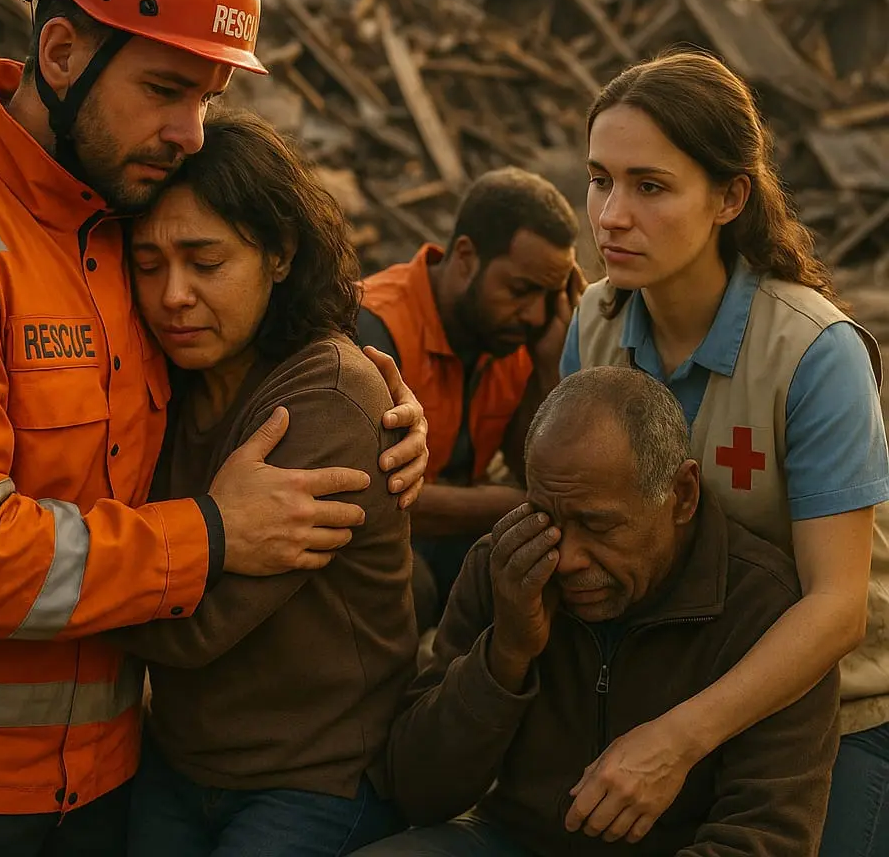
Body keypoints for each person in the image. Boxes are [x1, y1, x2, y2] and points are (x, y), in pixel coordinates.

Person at [0, 0, 426, 856]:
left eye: (208, 100)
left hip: (110, 781)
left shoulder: (121, 225)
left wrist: (379, 382)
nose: (191, 134)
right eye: (165, 90)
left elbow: (261, 314)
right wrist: (210, 534)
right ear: (63, 54)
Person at [559, 50, 889, 854]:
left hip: (838, 701)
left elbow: (837, 607)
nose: (609, 216)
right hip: (665, 673)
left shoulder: (814, 353)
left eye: (650, 186)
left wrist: (675, 740)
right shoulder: (596, 325)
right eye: (600, 179)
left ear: (730, 197)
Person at [357, 367, 840, 857]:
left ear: (682, 496)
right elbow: (418, 791)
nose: (566, 558)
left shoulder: (766, 608)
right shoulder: (506, 566)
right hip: (513, 838)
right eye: (546, 517)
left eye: (598, 525)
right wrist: (505, 657)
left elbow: (764, 840)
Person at [107, 111, 418, 856]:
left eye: (205, 262)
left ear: (279, 254)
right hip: (179, 762)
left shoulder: (329, 397)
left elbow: (199, 629)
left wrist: (42, 583)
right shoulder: (161, 383)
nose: (174, 295)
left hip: (314, 776)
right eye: (148, 266)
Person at [358, 168, 581, 626]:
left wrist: (547, 368)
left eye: (550, 296)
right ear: (465, 256)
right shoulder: (375, 329)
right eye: (520, 291)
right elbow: (376, 500)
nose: (536, 313)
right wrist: (520, 505)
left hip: (452, 536)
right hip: (368, 540)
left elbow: (528, 467)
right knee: (408, 586)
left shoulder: (516, 336)